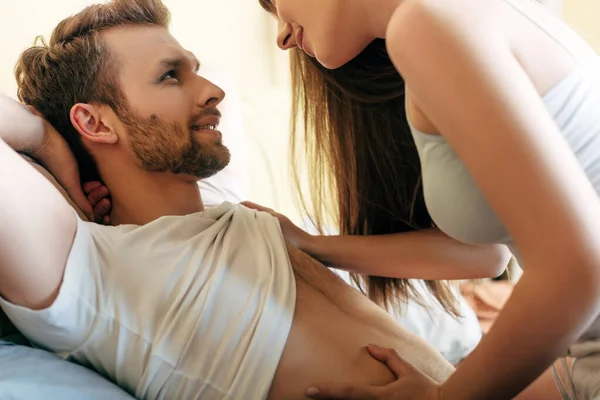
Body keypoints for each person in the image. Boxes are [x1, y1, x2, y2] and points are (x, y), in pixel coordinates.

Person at [0, 0, 462, 399]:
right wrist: (46, 142)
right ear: (95, 124)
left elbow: (486, 250)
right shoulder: (87, 267)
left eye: (194, 70)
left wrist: (310, 243)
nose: (213, 91)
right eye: (169, 76)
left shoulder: (241, 214)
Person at [244, 0, 600, 398]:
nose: (282, 36)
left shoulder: (427, 25)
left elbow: (577, 269)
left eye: (274, 2)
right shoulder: (461, 16)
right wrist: (312, 246)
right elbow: (486, 254)